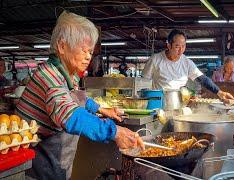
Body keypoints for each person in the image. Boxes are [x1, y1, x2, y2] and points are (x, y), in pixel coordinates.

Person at [15, 11, 144, 180]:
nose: (88, 57)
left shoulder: (68, 74)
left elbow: (76, 98)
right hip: (36, 165)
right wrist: (114, 132)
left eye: (90, 52)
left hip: (54, 163)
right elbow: (70, 115)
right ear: (62, 47)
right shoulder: (49, 77)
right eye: (84, 50)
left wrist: (101, 109)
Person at [142, 29, 234, 102]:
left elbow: (202, 79)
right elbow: (143, 82)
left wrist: (219, 92)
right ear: (169, 45)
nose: (181, 50)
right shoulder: (155, 60)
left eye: (184, 46)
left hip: (179, 104)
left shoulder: (187, 62)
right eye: (177, 46)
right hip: (159, 104)